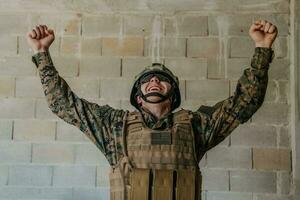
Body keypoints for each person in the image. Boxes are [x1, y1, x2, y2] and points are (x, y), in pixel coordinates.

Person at [27, 20, 277, 200]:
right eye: (147, 80)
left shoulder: (196, 125)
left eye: (161, 78)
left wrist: (262, 49)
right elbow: (66, 104)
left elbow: (245, 102)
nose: (154, 81)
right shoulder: (114, 126)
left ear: (174, 93)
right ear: (138, 96)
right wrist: (41, 53)